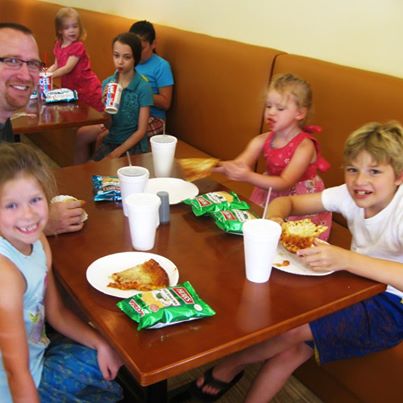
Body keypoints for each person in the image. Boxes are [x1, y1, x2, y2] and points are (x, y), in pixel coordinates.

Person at [194, 121, 403, 402]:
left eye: (374, 171)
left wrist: (346, 259)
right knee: (292, 348)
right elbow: (290, 203)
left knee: (293, 329)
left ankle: (227, 366)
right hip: (355, 284)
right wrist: (275, 220)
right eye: (353, 169)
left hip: (392, 307)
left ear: (399, 176)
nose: (359, 181)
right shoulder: (348, 195)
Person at [0, 142, 123, 402]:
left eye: (35, 199)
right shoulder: (5, 277)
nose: (28, 215)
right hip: (14, 387)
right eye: (11, 206)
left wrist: (100, 342)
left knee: (109, 348)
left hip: (35, 356)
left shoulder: (38, 242)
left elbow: (55, 312)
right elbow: (16, 372)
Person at [214, 73, 332, 239]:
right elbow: (240, 164)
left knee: (291, 241)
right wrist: (216, 166)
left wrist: (247, 176)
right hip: (270, 193)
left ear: (299, 113)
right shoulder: (262, 139)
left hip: (299, 201)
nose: (271, 112)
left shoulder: (305, 146)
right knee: (262, 235)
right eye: (268, 106)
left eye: (280, 108)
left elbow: (284, 183)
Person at [0, 22, 85, 235]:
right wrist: (41, 221)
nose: (26, 75)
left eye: (33, 64)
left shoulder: (5, 122)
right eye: (12, 61)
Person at [74, 32, 153, 162]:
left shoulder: (143, 87)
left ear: (136, 59)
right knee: (89, 169)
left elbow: (141, 131)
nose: (120, 62)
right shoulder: (108, 83)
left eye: (127, 57)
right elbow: (110, 125)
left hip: (134, 146)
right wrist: (105, 110)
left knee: (109, 171)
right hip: (112, 141)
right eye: (116, 56)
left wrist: (115, 154)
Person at [47, 7, 103, 112]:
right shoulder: (58, 45)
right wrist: (45, 74)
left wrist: (49, 77)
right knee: (76, 113)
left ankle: (102, 127)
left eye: (75, 26)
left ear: (80, 28)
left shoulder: (78, 46)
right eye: (67, 28)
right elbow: (56, 65)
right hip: (71, 88)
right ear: (60, 30)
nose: (72, 30)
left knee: (94, 113)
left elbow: (67, 68)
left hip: (86, 87)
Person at [129, 20, 174, 136]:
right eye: (134, 48)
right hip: (130, 113)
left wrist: (140, 92)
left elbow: (165, 103)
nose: (137, 53)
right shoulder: (129, 60)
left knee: (112, 137)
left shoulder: (161, 66)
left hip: (154, 118)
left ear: (153, 44)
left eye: (142, 48)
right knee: (84, 133)